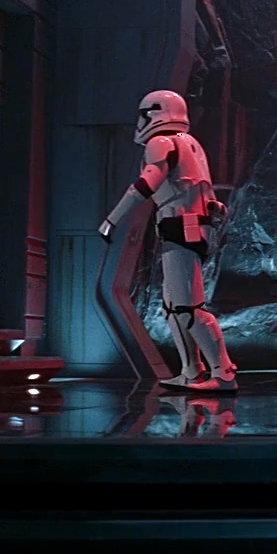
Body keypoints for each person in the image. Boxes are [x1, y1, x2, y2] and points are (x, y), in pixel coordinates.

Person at [99, 89, 239, 392]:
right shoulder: (190, 144)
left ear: (153, 113)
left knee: (188, 307)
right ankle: (191, 371)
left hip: (181, 227)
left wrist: (112, 220)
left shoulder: (161, 143)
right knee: (175, 307)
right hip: (191, 227)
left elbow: (146, 184)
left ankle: (223, 373)